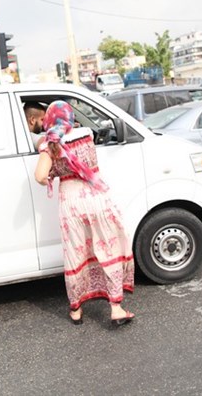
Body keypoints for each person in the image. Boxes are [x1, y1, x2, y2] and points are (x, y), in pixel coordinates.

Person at [34, 100, 135, 326]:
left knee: (76, 253)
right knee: (108, 248)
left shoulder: (49, 144)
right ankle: (116, 308)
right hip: (97, 197)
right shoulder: (86, 134)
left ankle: (76, 310)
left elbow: (39, 176)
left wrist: (51, 175)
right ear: (69, 118)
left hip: (71, 203)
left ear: (50, 119)